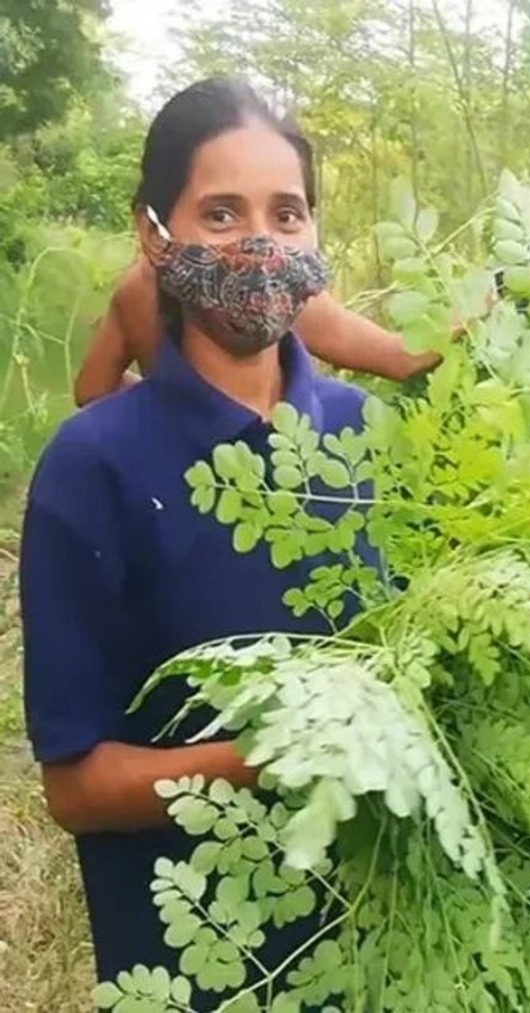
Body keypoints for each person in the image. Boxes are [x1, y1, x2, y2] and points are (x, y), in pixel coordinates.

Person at [21, 77, 375, 1006]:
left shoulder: (371, 436)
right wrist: (276, 758)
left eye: (287, 214)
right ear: (153, 234)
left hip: (383, 946)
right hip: (194, 961)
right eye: (221, 213)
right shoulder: (93, 465)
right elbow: (77, 787)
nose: (261, 244)